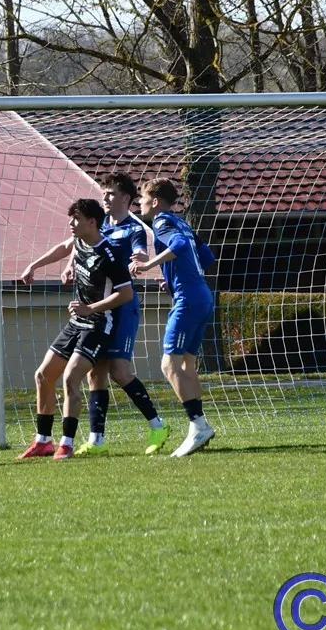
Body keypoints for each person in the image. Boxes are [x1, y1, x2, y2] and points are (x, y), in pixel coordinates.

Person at [20, 173, 168, 455]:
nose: (105, 197)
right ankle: (96, 440)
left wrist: (141, 259)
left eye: (111, 193)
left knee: (118, 371)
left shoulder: (133, 229)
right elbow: (72, 247)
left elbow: (138, 253)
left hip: (120, 309)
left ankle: (157, 425)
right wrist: (65, 265)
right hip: (91, 311)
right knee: (93, 375)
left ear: (126, 198)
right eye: (104, 192)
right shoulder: (97, 226)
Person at [16, 198, 134, 460]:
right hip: (76, 322)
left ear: (92, 222)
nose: (71, 223)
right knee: (43, 376)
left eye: (76, 218)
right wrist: (34, 266)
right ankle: (43, 441)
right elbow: (62, 248)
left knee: (70, 378)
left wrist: (90, 308)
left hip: (98, 325)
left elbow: (126, 294)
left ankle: (66, 444)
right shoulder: (79, 241)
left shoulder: (109, 253)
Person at [129, 179, 218, 457]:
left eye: (142, 198)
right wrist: (172, 277)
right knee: (187, 365)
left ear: (155, 201)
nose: (139, 204)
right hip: (202, 295)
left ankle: (198, 425)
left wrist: (148, 264)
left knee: (169, 365)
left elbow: (178, 245)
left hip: (188, 299)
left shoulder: (162, 222)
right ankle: (200, 427)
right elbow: (206, 257)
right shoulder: (182, 222)